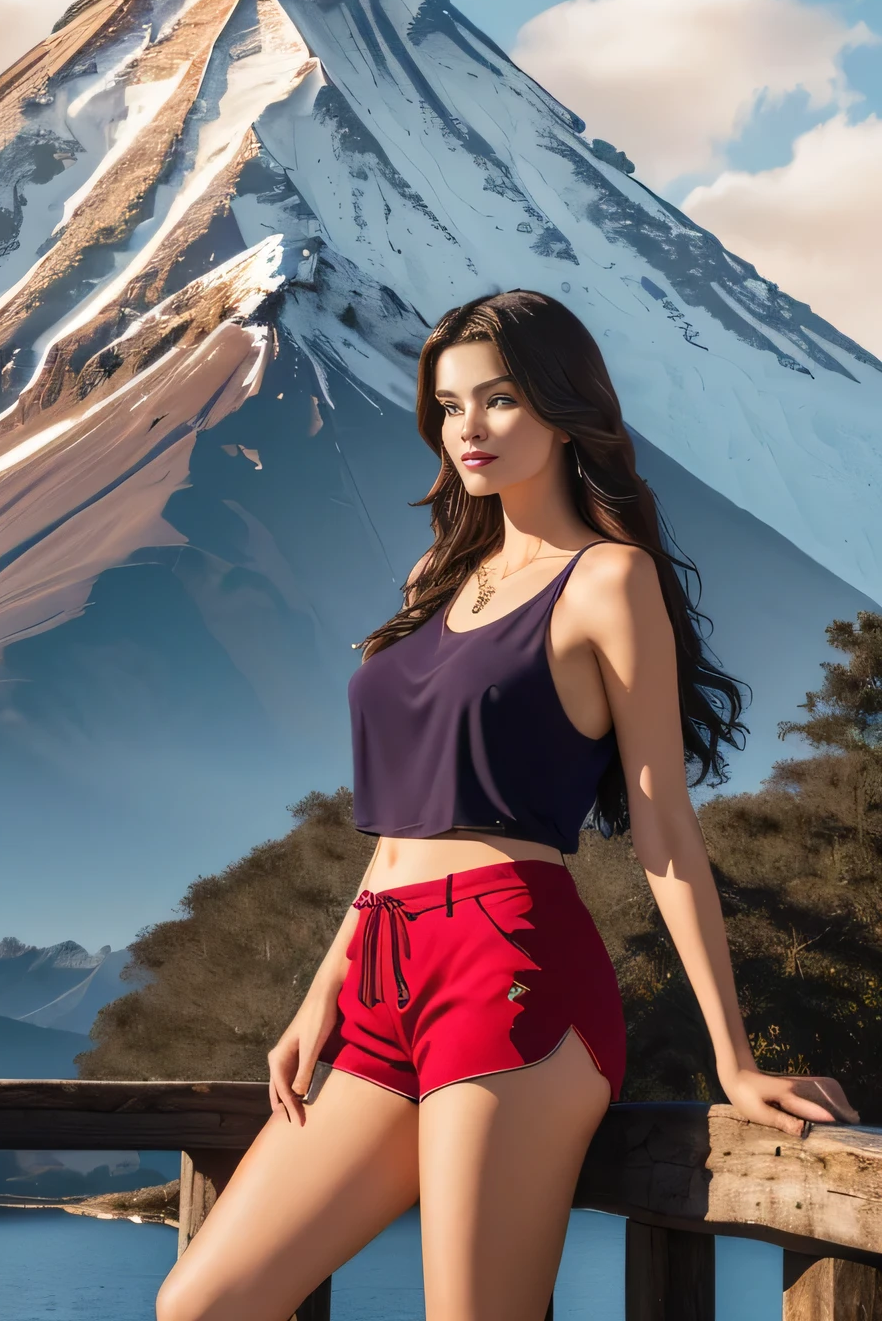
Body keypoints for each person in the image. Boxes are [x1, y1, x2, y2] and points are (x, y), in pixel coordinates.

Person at [156, 288, 858, 1321]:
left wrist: (734, 1057)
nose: (468, 429)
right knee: (201, 1305)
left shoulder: (609, 581)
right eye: (448, 407)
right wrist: (321, 996)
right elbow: (400, 830)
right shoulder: (437, 580)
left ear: (565, 411)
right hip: (382, 977)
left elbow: (664, 828)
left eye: (499, 400)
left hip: (510, 970)